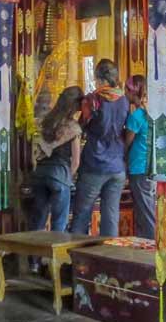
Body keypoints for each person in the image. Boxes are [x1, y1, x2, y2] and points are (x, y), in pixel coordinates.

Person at [70, 59, 129, 236]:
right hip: (117, 166)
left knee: (82, 215)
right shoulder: (124, 100)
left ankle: (77, 260)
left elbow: (79, 126)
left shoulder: (93, 99)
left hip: (95, 163)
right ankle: (109, 259)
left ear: (99, 78)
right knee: (111, 217)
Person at [30, 85, 82, 237]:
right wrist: (68, 177)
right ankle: (54, 260)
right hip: (60, 174)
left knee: (38, 222)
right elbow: (76, 161)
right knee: (59, 224)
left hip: (39, 173)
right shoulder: (73, 127)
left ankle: (34, 260)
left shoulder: (45, 121)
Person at [123, 74, 156, 239]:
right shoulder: (152, 114)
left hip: (138, 167)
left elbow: (127, 142)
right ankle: (145, 245)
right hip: (151, 166)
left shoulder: (136, 117)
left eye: (126, 91)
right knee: (147, 210)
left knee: (146, 213)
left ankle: (153, 246)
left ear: (131, 92)